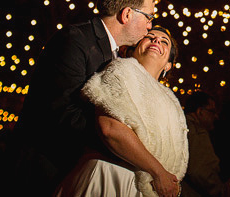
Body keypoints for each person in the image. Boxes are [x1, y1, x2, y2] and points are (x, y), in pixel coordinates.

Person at [12, 0, 159, 195]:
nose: (150, 26)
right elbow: (61, 112)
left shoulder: (118, 56)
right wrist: (120, 142)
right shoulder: (75, 41)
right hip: (44, 171)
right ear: (127, 14)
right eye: (149, 17)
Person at [56, 26, 188, 197]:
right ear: (132, 50)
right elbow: (110, 128)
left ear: (168, 65)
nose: (156, 41)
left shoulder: (171, 102)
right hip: (110, 177)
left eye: (164, 42)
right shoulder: (120, 71)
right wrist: (158, 172)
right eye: (150, 37)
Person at [182, 90, 230, 197]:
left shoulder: (180, 125)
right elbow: (200, 171)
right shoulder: (197, 131)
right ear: (200, 111)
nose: (215, 116)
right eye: (212, 111)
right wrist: (221, 191)